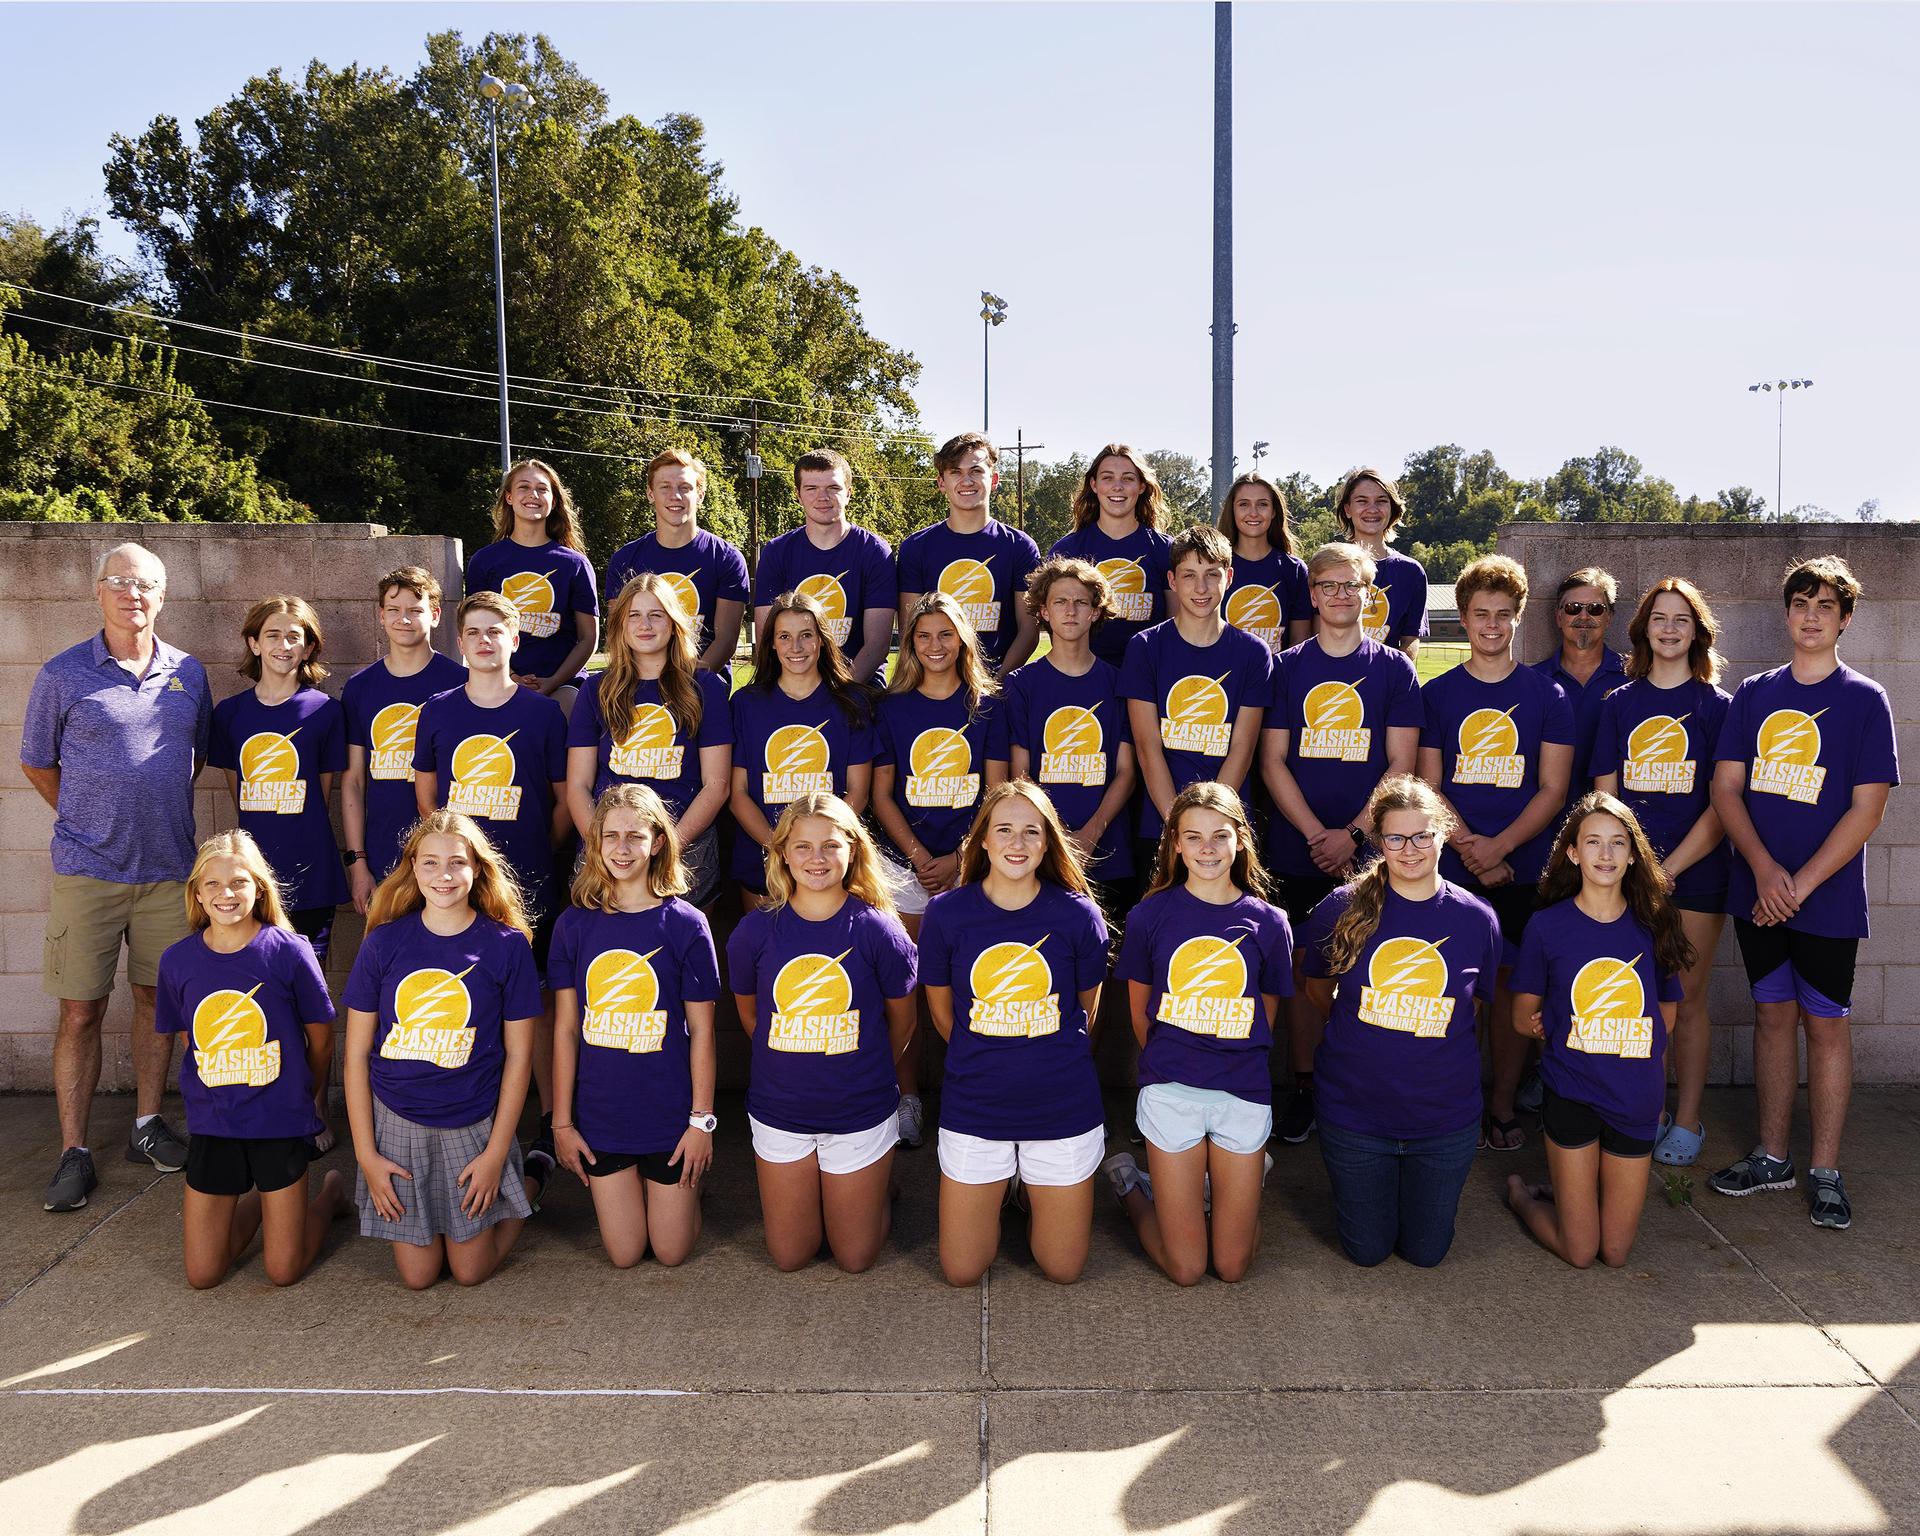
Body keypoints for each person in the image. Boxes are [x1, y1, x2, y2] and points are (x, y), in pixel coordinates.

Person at [1706, 556, 1897, 1230]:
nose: (1810, 616)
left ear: (1845, 619)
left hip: (1827, 900)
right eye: (1800, 604)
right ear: (1786, 613)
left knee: (1825, 1025)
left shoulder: (1866, 699)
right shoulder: (1755, 694)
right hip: (1759, 893)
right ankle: (1772, 1157)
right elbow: (1726, 788)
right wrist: (1763, 871)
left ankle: (1825, 1171)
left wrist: (1801, 884)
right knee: (1771, 1017)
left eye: (1825, 606)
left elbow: (1867, 809)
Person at [23, 542, 211, 1212]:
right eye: (121, 582)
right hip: (88, 871)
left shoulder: (189, 673)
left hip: (169, 870)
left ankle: (146, 1126)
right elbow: (36, 761)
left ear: (163, 595)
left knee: (159, 1003)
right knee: (80, 1011)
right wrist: (88, 818)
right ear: (98, 591)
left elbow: (193, 757)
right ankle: (74, 1151)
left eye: (146, 584)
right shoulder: (61, 673)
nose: (134, 594)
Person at [1297, 777, 1501, 1268]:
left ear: (1444, 834)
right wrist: (1362, 1025)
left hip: (1443, 1119)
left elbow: (1471, 1007)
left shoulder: (1477, 918)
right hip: (1356, 1115)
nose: (1410, 849)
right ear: (1379, 841)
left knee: (1426, 1253)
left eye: (1422, 836)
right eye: (1396, 837)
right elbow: (1317, 988)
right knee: (1367, 1251)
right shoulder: (1341, 908)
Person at [342, 810, 549, 1288]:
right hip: (397, 1119)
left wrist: (496, 1154)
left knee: (470, 1272)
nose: (444, 875)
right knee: (418, 1277)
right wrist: (367, 1156)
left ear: (477, 868)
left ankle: (531, 1178)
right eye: (430, 863)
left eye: (457, 862)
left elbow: (520, 1057)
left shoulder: (506, 945)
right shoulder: (383, 942)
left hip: (471, 1119)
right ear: (413, 867)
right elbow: (354, 1058)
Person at [1261, 543, 1423, 1146]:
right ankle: (1305, 1086)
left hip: (1372, 851)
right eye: (1327, 585)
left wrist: (1354, 834)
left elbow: (1401, 763)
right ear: (1312, 594)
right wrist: (1315, 835)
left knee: (1370, 967)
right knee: (1306, 966)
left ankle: (1366, 1087)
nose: (1338, 595)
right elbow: (1272, 760)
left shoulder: (1394, 669)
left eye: (1350, 585)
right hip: (1296, 847)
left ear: (1368, 593)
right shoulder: (1285, 667)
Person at [1102, 784, 1292, 1286]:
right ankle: (1132, 1189)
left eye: (1219, 836)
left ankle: (1240, 1183)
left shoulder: (1270, 923)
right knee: (1186, 1269)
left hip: (1242, 1090)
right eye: (1193, 837)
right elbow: (1141, 1014)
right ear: (1175, 845)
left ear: (1240, 841)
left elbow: (1265, 1015)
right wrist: (1175, 1063)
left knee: (1230, 1266)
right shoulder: (1149, 915)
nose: (1207, 848)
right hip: (1171, 1088)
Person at [920, 782, 1110, 1286]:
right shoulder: (946, 914)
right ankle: (1006, 1183)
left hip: (1061, 1107)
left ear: (1048, 843)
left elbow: (1085, 1012)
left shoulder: (1078, 915)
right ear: (982, 840)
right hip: (976, 1106)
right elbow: (943, 1016)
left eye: (1031, 831)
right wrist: (991, 1053)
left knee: (1062, 1269)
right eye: (1004, 830)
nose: (1017, 843)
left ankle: (1105, 1186)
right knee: (962, 1271)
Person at [1418, 554, 1573, 1151]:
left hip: (1524, 868)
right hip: (1452, 869)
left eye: (1503, 614)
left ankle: (1502, 1105)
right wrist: (1471, 848)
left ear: (1518, 617)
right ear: (1463, 617)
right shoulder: (1438, 694)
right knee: (1454, 991)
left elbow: (1553, 788)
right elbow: (1430, 785)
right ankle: (1456, 1106)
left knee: (1513, 992)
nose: (1491, 625)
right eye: (1481, 614)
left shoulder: (1547, 695)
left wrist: (1502, 847)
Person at [725, 794, 918, 1273]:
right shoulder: (754, 931)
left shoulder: (879, 930)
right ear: (783, 854)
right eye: (803, 846)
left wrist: (864, 1068)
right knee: (791, 1256)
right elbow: (753, 1019)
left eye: (830, 845)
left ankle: (877, 1186)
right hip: (781, 1111)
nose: (817, 858)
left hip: (859, 1110)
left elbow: (904, 1022)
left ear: (853, 850)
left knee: (854, 1257)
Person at [413, 592, 570, 1155]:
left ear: (515, 640)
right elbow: (428, 800)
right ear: (460, 642)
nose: (484, 640)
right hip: (459, 886)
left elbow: (561, 800)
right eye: (474, 632)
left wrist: (536, 850)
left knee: (539, 1000)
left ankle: (550, 1119)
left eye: (495, 631)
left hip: (529, 881)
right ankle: (473, 1115)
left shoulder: (542, 714)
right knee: (471, 995)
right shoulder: (437, 710)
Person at [157, 831, 350, 1288]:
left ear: (259, 889)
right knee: (203, 1275)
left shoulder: (289, 951)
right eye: (213, 884)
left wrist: (302, 1097)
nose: (226, 893)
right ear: (197, 894)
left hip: (278, 1120)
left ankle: (329, 1197)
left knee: (283, 1272)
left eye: (239, 882)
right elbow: (193, 1041)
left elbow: (321, 1041)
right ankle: (268, 1204)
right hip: (215, 1122)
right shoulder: (177, 961)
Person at [1506, 792, 1688, 1268]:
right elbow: (1521, 1017)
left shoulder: (1655, 924)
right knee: (1581, 1251)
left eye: (1617, 843)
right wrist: (1558, 1027)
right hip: (1573, 1092)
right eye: (1592, 842)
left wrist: (1623, 1047)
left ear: (1633, 855)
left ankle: (1574, 1193)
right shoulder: (1546, 927)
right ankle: (1523, 1197)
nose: (1605, 854)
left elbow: (1665, 1018)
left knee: (1615, 1252)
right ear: (1573, 852)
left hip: (1635, 1097)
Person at [549, 785, 720, 1268]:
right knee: (624, 1255)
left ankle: (686, 1198)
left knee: (670, 1252)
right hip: (603, 1115)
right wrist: (562, 1123)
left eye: (635, 836)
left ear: (658, 842)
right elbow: (565, 1031)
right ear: (595, 843)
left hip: (668, 1114)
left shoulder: (686, 923)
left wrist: (701, 1123)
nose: (622, 848)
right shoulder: (573, 925)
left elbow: (702, 1033)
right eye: (611, 836)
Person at [1591, 578, 1731, 1168]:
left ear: (1697, 632)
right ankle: (1642, 1114)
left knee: (1688, 999)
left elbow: (1724, 805)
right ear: (1643, 630)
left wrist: (1667, 870)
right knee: (1639, 1000)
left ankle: (1689, 1118)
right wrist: (1632, 870)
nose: (1669, 629)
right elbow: (1606, 800)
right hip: (1628, 877)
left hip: (1695, 875)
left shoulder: (1718, 706)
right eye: (1658, 619)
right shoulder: (1618, 704)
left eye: (1681, 620)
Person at [870, 592, 1002, 1148]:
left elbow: (997, 794)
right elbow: (881, 795)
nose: (934, 645)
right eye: (923, 635)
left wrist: (961, 857)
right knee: (906, 990)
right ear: (909, 643)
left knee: (972, 987)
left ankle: (973, 1094)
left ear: (964, 639)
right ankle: (908, 1099)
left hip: (974, 866)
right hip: (905, 867)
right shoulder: (892, 708)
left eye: (946, 634)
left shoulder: (987, 706)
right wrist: (922, 858)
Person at [567, 574, 733, 907]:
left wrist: (666, 847)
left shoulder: (705, 687)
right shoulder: (596, 690)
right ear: (621, 625)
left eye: (656, 615)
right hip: (608, 845)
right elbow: (578, 786)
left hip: (684, 841)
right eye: (634, 615)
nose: (645, 625)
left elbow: (717, 785)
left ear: (673, 624)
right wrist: (605, 847)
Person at [209, 596, 350, 968]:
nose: (283, 645)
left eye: (293, 637)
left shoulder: (326, 711)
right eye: (272, 635)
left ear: (308, 648)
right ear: (254, 643)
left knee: (308, 978)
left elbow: (320, 794)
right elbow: (238, 793)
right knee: (257, 980)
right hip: (250, 873)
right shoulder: (229, 714)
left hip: (311, 871)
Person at [993, 558, 1138, 908]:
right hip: (1042, 848)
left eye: (1080, 602)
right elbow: (1020, 775)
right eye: (1060, 602)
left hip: (1106, 850)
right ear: (1044, 612)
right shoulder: (1021, 685)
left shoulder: (1118, 682)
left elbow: (1126, 772)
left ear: (1095, 612)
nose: (1070, 611)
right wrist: (1057, 837)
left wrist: (1091, 834)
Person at [1120, 523, 1272, 852]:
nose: (1201, 587)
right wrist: (1179, 827)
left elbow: (1242, 748)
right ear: (1172, 581)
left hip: (1226, 826)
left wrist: (1209, 827)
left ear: (1229, 577)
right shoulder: (1145, 647)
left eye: (1212, 575)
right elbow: (1148, 748)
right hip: (1162, 827)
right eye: (1189, 575)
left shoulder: (1253, 652)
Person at [729, 590, 876, 903]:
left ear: (821, 640)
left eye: (806, 635)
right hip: (764, 861)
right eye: (784, 636)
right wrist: (780, 849)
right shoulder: (746, 704)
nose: (795, 647)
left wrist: (818, 851)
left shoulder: (852, 703)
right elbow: (738, 794)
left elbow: (858, 792)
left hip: (830, 865)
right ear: (771, 643)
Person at [340, 567, 467, 905]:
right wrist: (358, 863)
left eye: (415, 610)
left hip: (450, 854)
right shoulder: (360, 687)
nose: (404, 619)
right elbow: (353, 781)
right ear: (381, 615)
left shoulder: (460, 681)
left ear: (435, 615)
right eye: (394, 610)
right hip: (383, 851)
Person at [896, 432, 1042, 674]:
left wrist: (995, 685)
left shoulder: (1020, 546)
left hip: (997, 685)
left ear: (994, 480)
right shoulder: (916, 547)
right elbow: (909, 631)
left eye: (976, 471)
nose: (966, 481)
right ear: (941, 483)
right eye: (956, 472)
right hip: (933, 685)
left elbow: (1028, 632)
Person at [463, 458, 600, 715]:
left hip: (562, 685)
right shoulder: (485, 561)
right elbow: (473, 629)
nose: (533, 495)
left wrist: (553, 682)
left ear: (554, 501)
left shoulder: (575, 564)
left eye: (542, 489)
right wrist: (511, 676)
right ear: (509, 497)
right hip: (499, 680)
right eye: (524, 487)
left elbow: (588, 638)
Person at [752, 448, 897, 687]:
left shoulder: (874, 551)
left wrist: (836, 694)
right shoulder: (777, 552)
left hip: (858, 688)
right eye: (811, 488)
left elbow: (877, 645)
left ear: (848, 493)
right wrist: (799, 694)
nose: (822, 497)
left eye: (833, 488)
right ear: (798, 495)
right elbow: (767, 640)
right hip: (793, 689)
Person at [603, 449, 749, 674]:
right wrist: (647, 682)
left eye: (685, 487)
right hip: (640, 681)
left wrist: (685, 682)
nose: (675, 496)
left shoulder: (726, 558)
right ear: (650, 494)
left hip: (702, 682)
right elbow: (619, 634)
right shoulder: (625, 559)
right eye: (665, 487)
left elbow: (726, 640)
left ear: (700, 495)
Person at [1047, 444, 1174, 667]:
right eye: (1107, 478)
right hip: (1086, 677)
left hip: (1148, 676)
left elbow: (1176, 625)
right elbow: (1055, 627)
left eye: (1127, 478)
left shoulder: (1165, 550)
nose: (1117, 486)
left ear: (1141, 486)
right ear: (1094, 485)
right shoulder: (1066, 551)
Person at [1534, 567, 1627, 800]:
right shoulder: (1534, 682)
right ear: (1559, 617)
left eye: (1595, 609)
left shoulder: (1633, 677)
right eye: (1573, 608)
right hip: (1546, 814)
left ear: (1609, 617)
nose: (1584, 616)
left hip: (1613, 812)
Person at [1331, 467, 1428, 658]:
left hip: (1386, 674)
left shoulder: (1411, 572)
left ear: (1392, 509)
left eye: (1381, 501)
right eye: (1362, 501)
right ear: (1348, 509)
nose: (1372, 509)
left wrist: (1394, 670)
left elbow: (1410, 638)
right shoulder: (1328, 566)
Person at [1218, 472, 1312, 653]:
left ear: (1274, 511)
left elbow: (1299, 640)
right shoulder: (1215, 567)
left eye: (1262, 504)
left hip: (1277, 670)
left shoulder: (1294, 570)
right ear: (1232, 510)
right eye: (1244, 504)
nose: (1253, 513)